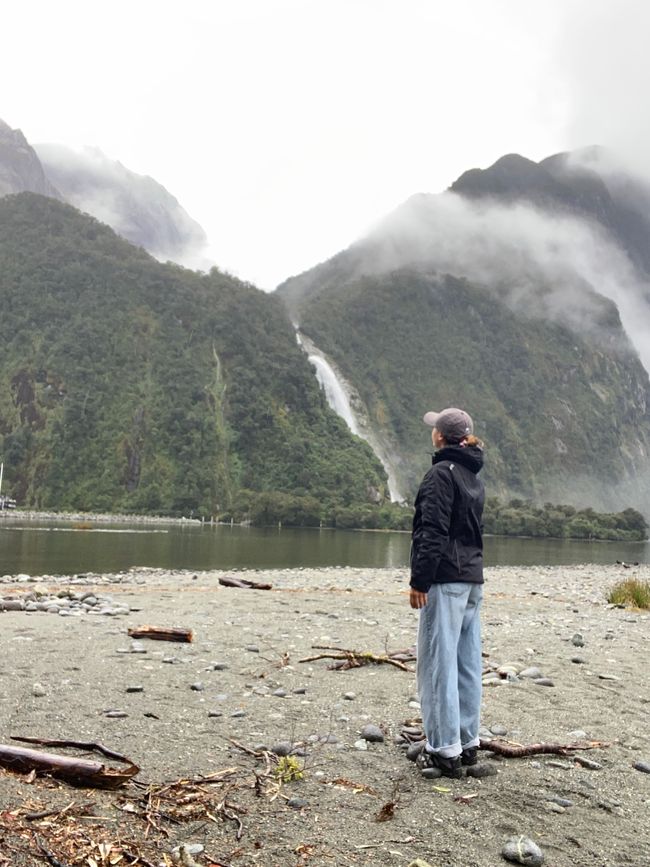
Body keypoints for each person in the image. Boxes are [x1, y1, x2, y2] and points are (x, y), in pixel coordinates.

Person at [409, 407, 485, 779]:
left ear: (440, 436)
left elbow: (433, 531)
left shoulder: (441, 474)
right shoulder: (471, 473)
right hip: (472, 580)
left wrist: (419, 580)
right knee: (467, 664)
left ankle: (442, 749)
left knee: (438, 664)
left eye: (434, 429)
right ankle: (468, 743)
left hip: (445, 580)